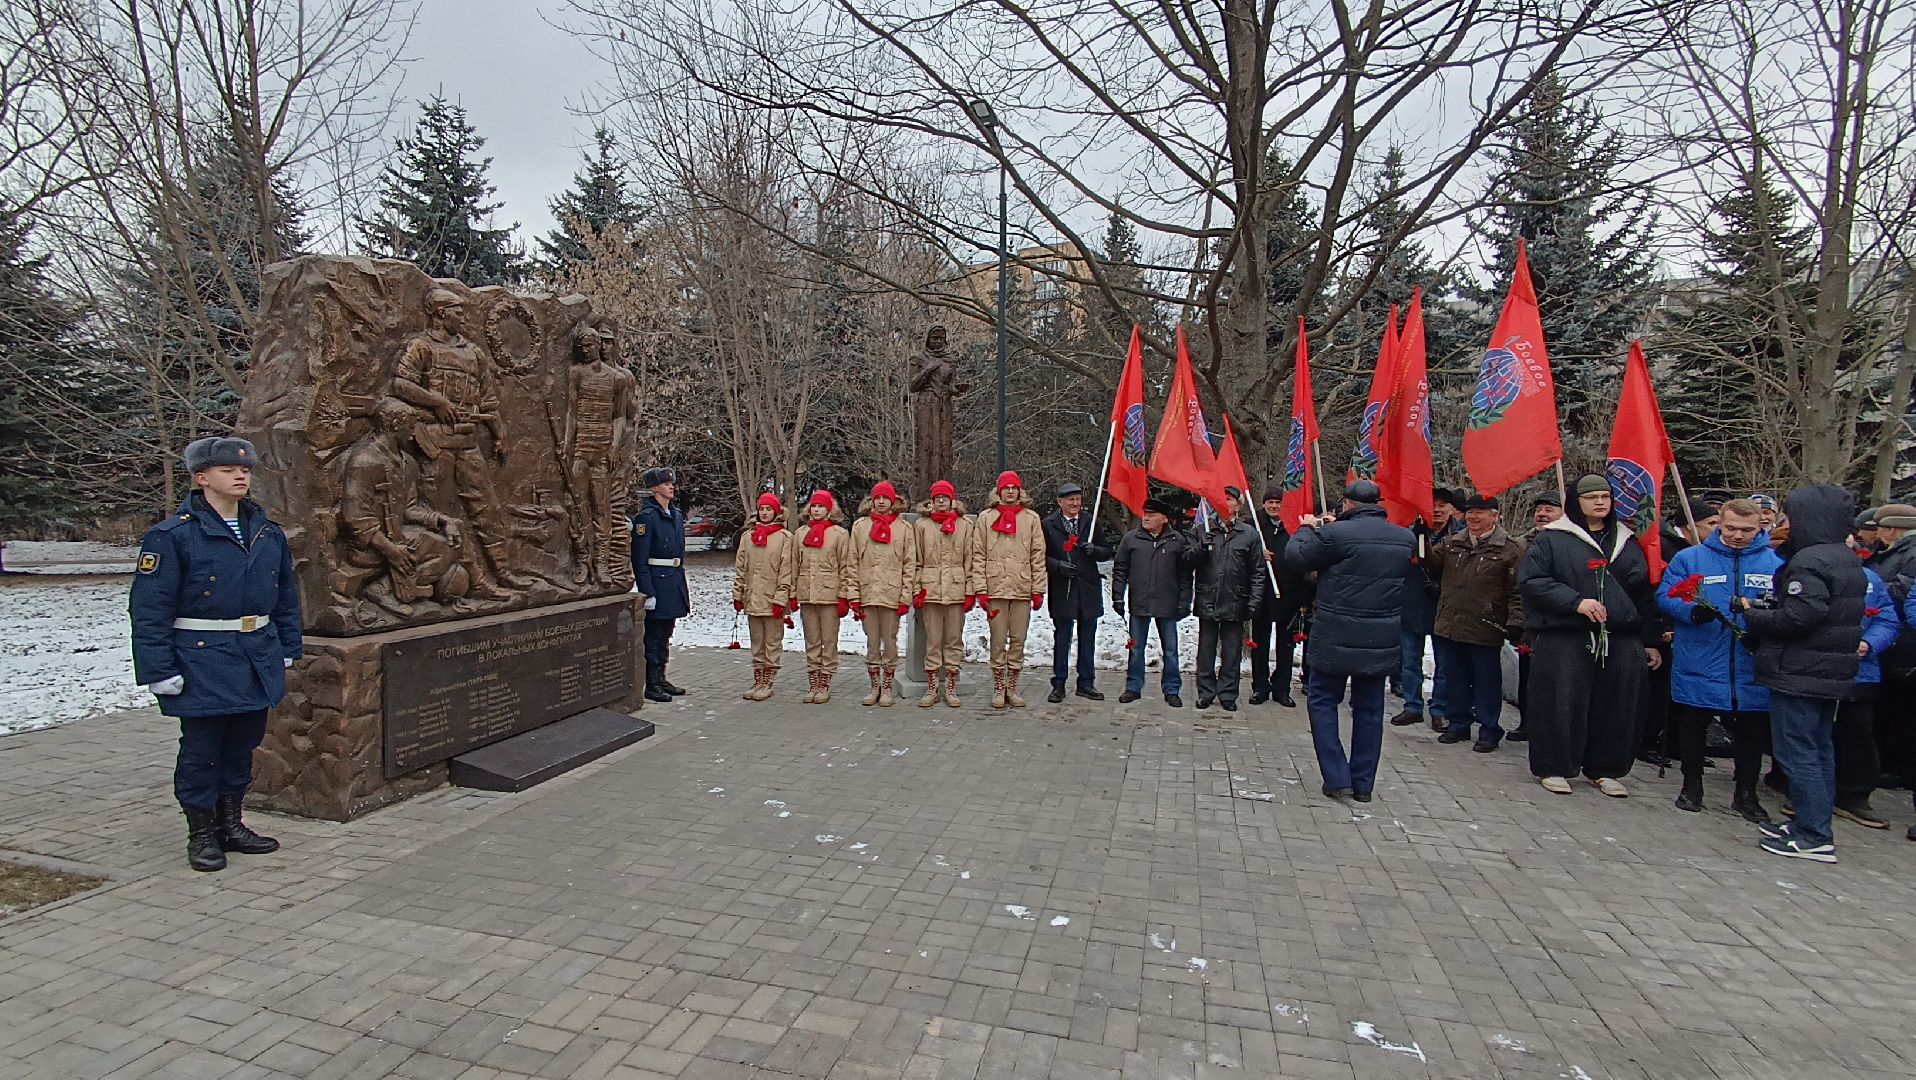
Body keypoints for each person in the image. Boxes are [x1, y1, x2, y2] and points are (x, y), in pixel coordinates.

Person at [129, 436, 302, 872]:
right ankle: (201, 833)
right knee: (202, 751)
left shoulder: (267, 532)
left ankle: (231, 824)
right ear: (202, 478)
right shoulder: (172, 537)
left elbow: (284, 598)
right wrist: (158, 670)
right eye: (228, 470)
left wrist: (286, 646)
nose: (241, 475)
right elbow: (149, 610)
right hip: (201, 658)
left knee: (242, 747)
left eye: (244, 469)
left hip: (254, 654)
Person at [1734, 485, 1866, 862]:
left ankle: (1813, 834)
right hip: (1827, 671)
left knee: (1799, 752)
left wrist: (1752, 612)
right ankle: (1812, 822)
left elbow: (1800, 616)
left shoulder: (1810, 561)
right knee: (1819, 750)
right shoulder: (1846, 557)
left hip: (1801, 670)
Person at [1518, 475, 1658, 797]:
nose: (1600, 502)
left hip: (1620, 635)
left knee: (1618, 705)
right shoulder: (1552, 539)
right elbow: (1533, 580)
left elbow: (1642, 591)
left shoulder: (1627, 540)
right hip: (1566, 633)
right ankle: (1554, 765)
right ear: (1576, 502)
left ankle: (1605, 768)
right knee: (1560, 701)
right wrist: (1575, 601)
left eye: (1605, 496)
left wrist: (1650, 639)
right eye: (1591, 497)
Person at [1285, 480, 1414, 801]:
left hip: (1335, 635)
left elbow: (1296, 557)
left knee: (1323, 700)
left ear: (1348, 504)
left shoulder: (1335, 535)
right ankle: (1363, 784)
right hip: (1380, 637)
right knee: (1370, 709)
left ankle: (1336, 776)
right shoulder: (1404, 538)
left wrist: (1307, 528)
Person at [1655, 498, 1782, 819]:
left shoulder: (1776, 564)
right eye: (1730, 528)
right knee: (1693, 724)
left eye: (1747, 530)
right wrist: (1689, 611)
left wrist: (1763, 620)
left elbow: (1786, 608)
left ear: (1760, 528)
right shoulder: (1691, 558)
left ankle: (1746, 793)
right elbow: (1665, 597)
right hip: (1701, 657)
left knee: (1752, 731)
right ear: (1719, 524)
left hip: (1750, 661)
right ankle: (1691, 787)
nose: (1738, 535)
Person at [1428, 494, 1524, 751]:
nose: (1474, 517)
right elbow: (1428, 562)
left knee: (1487, 682)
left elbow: (1516, 591)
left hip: (1486, 625)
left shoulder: (1510, 549)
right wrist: (1419, 536)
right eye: (1470, 512)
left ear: (1495, 516)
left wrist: (1516, 622)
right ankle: (1458, 724)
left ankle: (1489, 729)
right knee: (1455, 677)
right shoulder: (1452, 543)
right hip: (1452, 622)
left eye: (1481, 512)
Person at [1190, 488, 1269, 711]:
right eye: (1221, 499)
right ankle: (1205, 692)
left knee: (1232, 652)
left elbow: (1257, 571)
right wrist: (1200, 547)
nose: (1225, 503)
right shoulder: (1202, 530)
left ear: (1238, 505)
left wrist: (1254, 601)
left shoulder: (1249, 534)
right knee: (1205, 651)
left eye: (1230, 499)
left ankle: (1227, 694)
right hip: (1208, 599)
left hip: (1236, 601)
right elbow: (1186, 561)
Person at [1112, 498, 1195, 706]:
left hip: (1168, 603)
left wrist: (1184, 602)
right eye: (1145, 514)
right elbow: (1120, 569)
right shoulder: (1132, 539)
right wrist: (1118, 596)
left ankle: (1172, 689)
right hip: (1139, 602)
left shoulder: (1177, 541)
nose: (1146, 518)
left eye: (1152, 514)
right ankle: (1133, 687)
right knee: (1136, 648)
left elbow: (1185, 575)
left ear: (1164, 518)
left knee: (1170, 650)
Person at [1391, 488, 1461, 730]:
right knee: (1410, 661)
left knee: (1444, 663)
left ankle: (1439, 708)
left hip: (1444, 607)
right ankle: (1412, 706)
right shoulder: (1411, 533)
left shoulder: (1461, 535)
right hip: (1412, 604)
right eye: (1433, 504)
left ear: (1452, 509)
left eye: (1443, 505)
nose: (1438, 509)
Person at [1835, 566, 1898, 828]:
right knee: (1813, 732)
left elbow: (1888, 619)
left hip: (1861, 672)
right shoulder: (1807, 570)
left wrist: (1870, 643)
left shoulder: (1870, 578)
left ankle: (1854, 794)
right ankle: (1804, 791)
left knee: (1859, 731)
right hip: (1816, 667)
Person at [977, 471, 1047, 708]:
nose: (1009, 491)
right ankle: (998, 686)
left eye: (1013, 488)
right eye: (1005, 487)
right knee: (998, 639)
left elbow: (1038, 555)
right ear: (998, 491)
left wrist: (1038, 589)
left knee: (1018, 639)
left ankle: (1012, 686)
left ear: (1020, 491)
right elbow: (978, 555)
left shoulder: (1031, 519)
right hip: (995, 588)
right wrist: (981, 589)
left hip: (1021, 588)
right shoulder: (986, 518)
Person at [1042, 482, 1114, 702]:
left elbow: (1106, 552)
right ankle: (1059, 683)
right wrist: (1057, 566)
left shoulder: (1090, 523)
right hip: (1063, 588)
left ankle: (1086, 682)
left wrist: (1095, 551)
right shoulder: (1048, 525)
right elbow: (1039, 556)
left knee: (1088, 637)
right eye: (1070, 500)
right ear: (1060, 502)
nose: (1075, 504)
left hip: (1088, 588)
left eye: (1078, 500)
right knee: (1062, 637)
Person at [850, 481, 919, 708]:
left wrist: (904, 597)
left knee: (889, 641)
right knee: (871, 642)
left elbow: (910, 565)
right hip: (868, 591)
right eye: (876, 498)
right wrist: (853, 595)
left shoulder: (904, 529)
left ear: (892, 501)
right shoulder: (860, 527)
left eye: (884, 498)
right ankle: (874, 686)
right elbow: (852, 563)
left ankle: (887, 686)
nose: (880, 502)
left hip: (891, 593)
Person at [914, 480, 983, 707]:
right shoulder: (922, 526)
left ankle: (951, 686)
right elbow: (916, 560)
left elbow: (970, 561)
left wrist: (970, 590)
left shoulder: (964, 525)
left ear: (952, 500)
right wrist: (917, 589)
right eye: (937, 498)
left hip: (956, 589)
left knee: (954, 639)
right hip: (931, 588)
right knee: (933, 640)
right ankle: (932, 687)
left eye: (945, 497)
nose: (941, 501)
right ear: (932, 501)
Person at [1509, 490, 1564, 743]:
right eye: (1539, 510)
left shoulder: (1571, 542)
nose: (1542, 514)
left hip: (1559, 621)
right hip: (1528, 622)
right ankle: (1526, 722)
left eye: (1549, 509)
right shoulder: (1521, 544)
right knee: (1527, 676)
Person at [631, 466, 691, 703]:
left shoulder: (675, 515)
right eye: (666, 484)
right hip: (657, 582)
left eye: (672, 483)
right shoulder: (646, 518)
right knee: (654, 636)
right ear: (655, 488)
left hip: (673, 581)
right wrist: (647, 592)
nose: (671, 486)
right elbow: (640, 559)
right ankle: (652, 683)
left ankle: (661, 677)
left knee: (666, 633)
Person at [1249, 486, 1311, 707]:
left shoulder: (1295, 527)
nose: (1274, 506)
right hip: (1262, 594)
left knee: (1286, 645)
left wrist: (1303, 598)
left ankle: (1282, 688)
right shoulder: (1254, 526)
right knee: (1260, 644)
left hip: (1289, 595)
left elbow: (1305, 561)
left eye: (1278, 503)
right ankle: (1260, 687)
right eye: (1270, 502)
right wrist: (1257, 555)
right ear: (1264, 504)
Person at [792, 490, 855, 703]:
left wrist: (844, 596)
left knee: (828, 641)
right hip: (807, 594)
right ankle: (813, 682)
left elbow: (845, 567)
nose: (817, 510)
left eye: (821, 506)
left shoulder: (839, 534)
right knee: (812, 641)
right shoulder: (801, 533)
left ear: (829, 509)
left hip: (830, 596)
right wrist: (793, 593)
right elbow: (794, 565)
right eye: (814, 506)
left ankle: (825, 682)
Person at [733, 493, 796, 701]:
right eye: (762, 509)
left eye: (769, 509)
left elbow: (786, 570)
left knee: (772, 641)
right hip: (753, 597)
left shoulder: (785, 538)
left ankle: (768, 679)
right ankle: (758, 678)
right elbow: (741, 568)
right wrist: (738, 594)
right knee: (757, 641)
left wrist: (781, 598)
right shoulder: (747, 537)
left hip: (772, 598)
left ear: (776, 512)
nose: (765, 513)